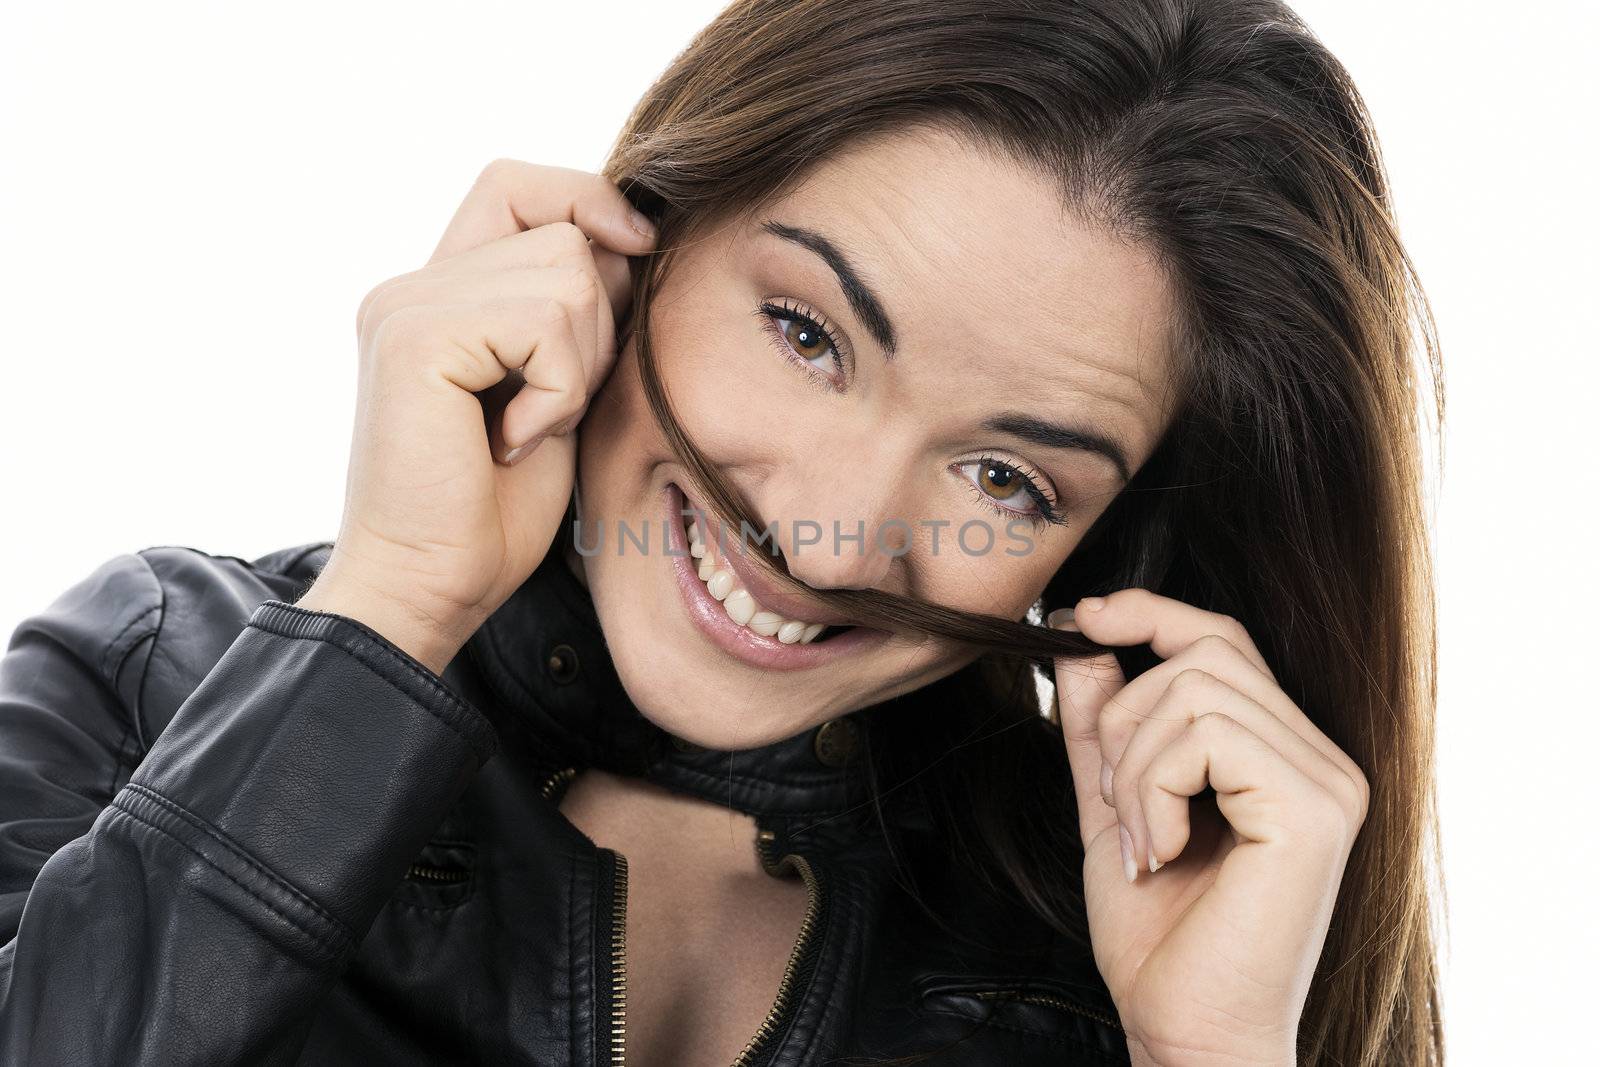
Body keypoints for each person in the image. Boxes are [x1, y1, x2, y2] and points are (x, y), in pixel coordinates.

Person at [0, 0, 1445, 1063]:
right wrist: (392, 610)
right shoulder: (156, 672)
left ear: (1109, 555)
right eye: (806, 331)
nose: (830, 541)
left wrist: (1214, 1055)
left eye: (1008, 479)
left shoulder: (1118, 940)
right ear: (635, 236)